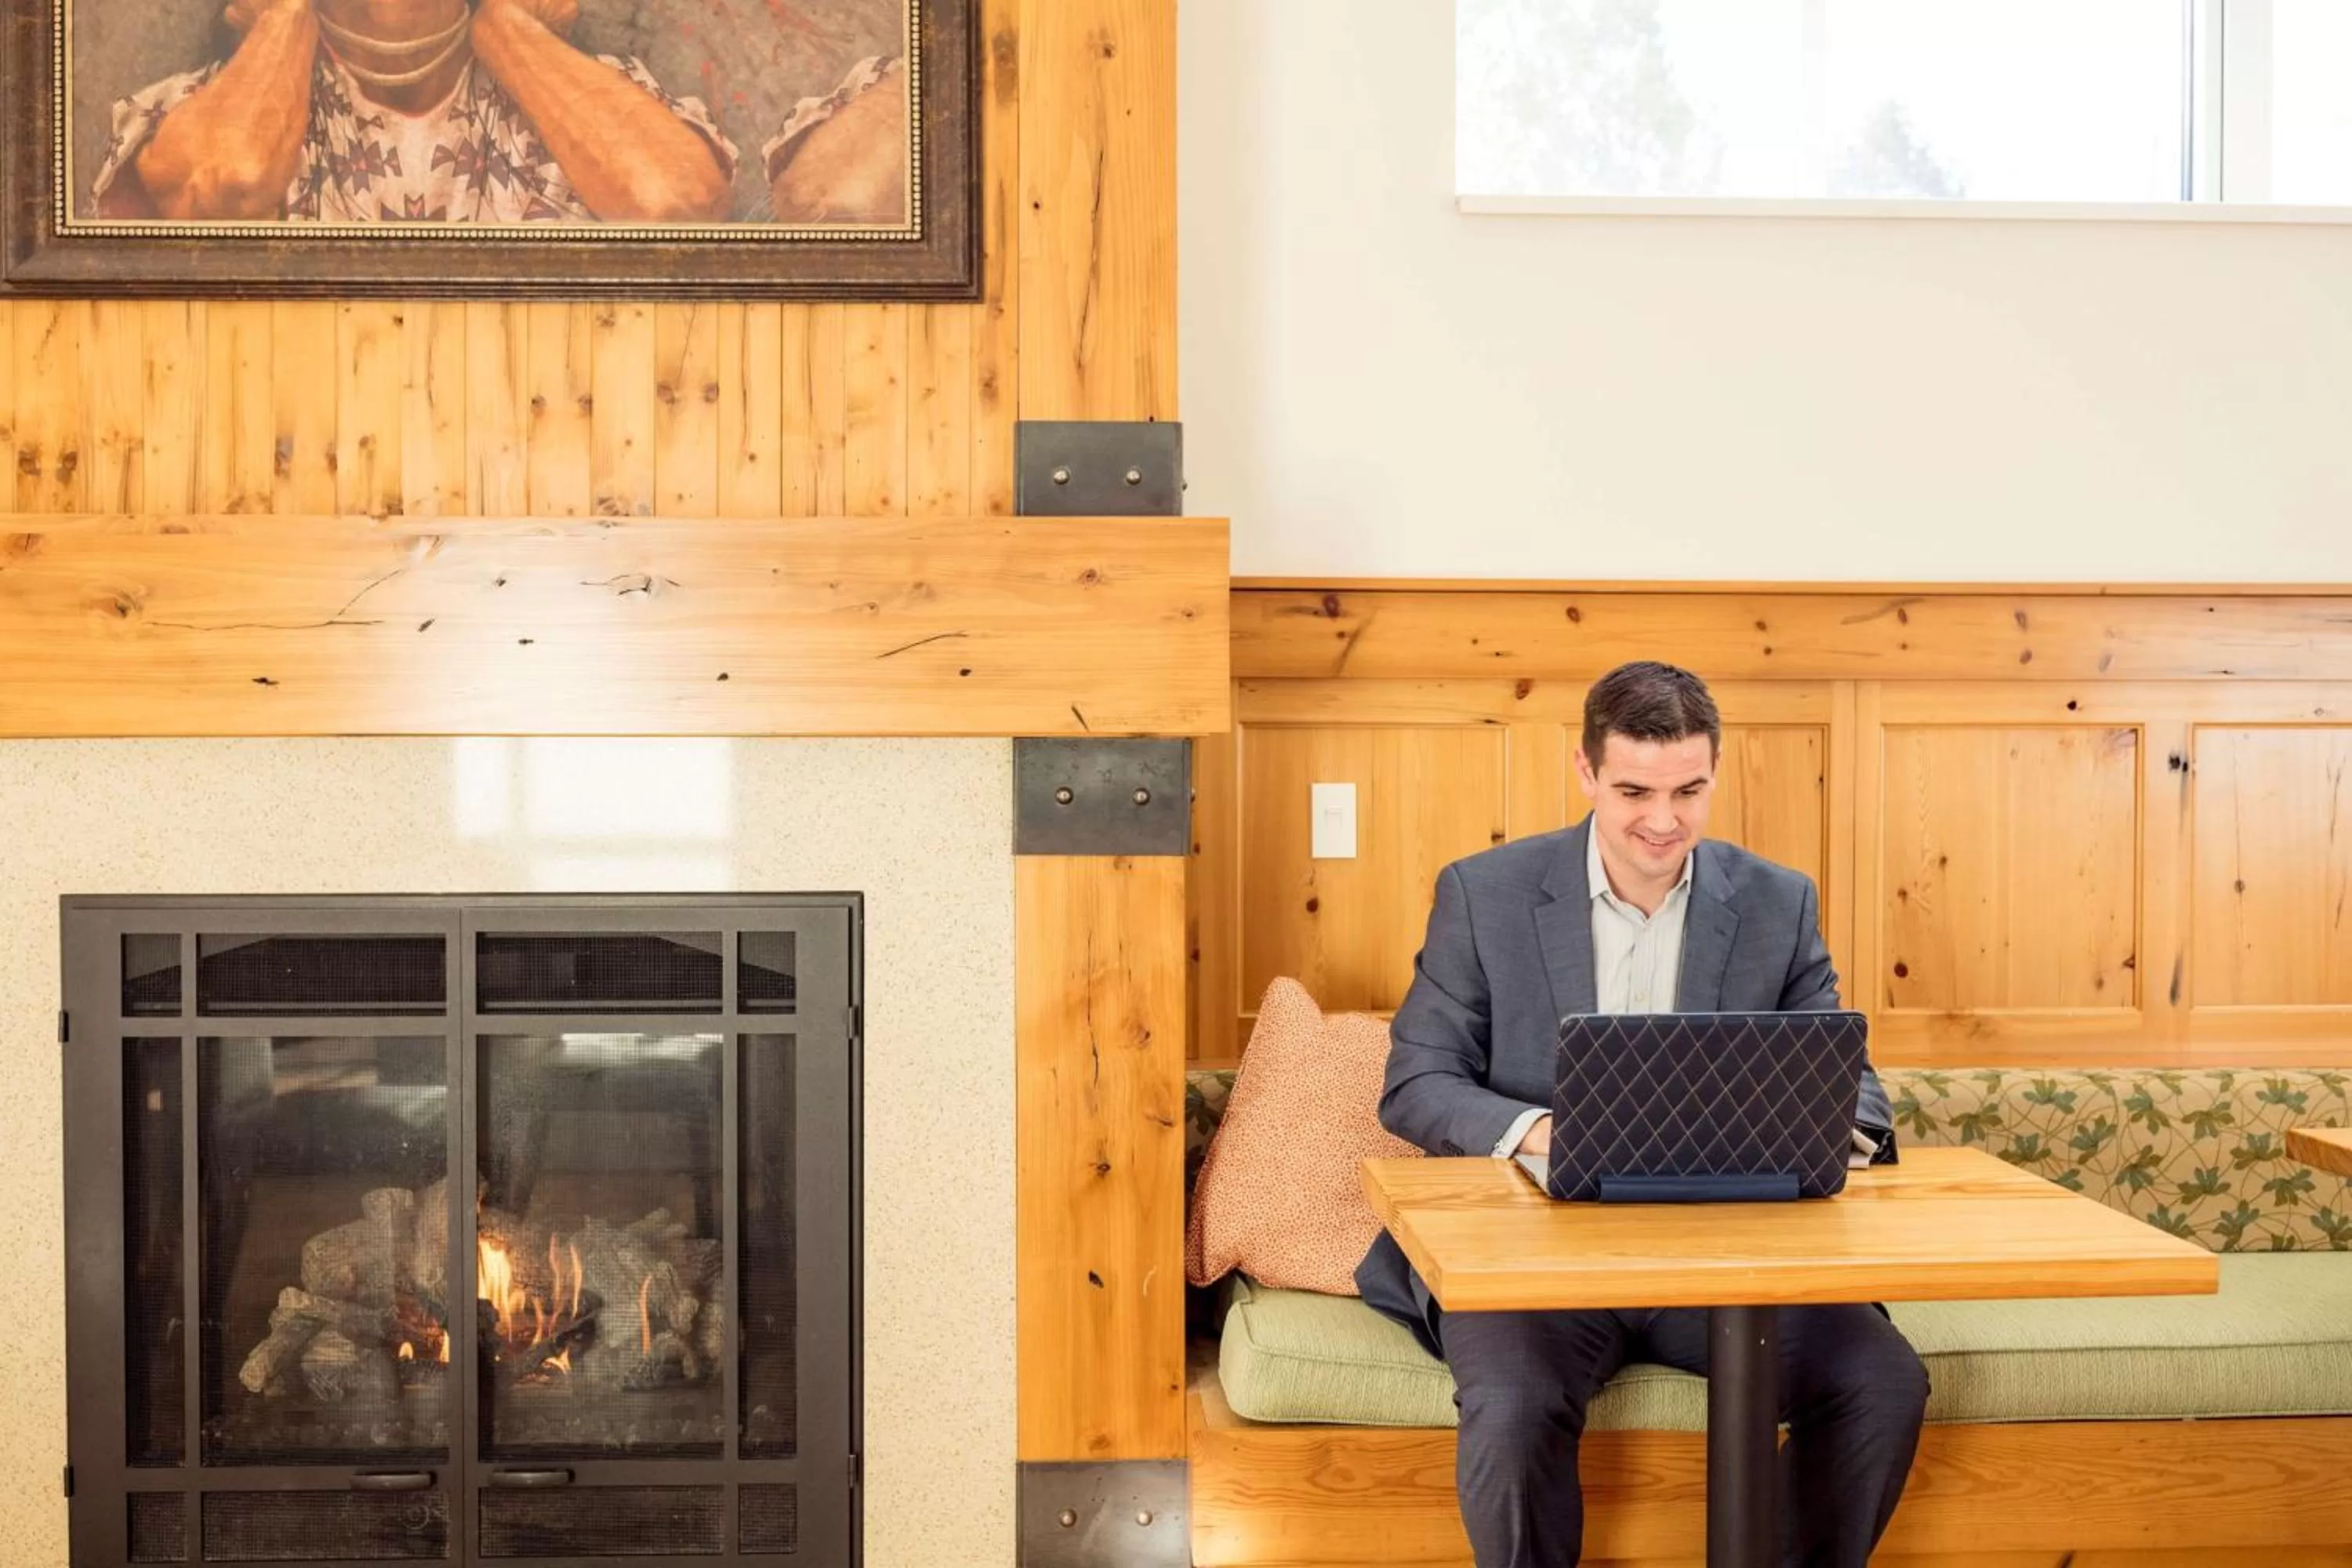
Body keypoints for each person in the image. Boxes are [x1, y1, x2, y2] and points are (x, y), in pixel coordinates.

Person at [1355, 660, 1929, 1568]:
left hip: (1717, 1257)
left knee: (1881, 1378)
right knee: (1512, 1410)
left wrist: (1823, 1125)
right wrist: (1543, 1132)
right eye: (1633, 790)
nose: (1664, 820)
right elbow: (1417, 1080)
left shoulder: (1779, 902)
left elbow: (1853, 1081)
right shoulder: (1485, 891)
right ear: (1584, 771)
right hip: (1532, 1258)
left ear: (1715, 774)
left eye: (1689, 790)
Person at [89, 0, 882, 223]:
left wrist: (504, 27)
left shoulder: (578, 91)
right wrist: (287, 14)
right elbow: (224, 183)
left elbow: (673, 204)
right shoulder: (194, 107)